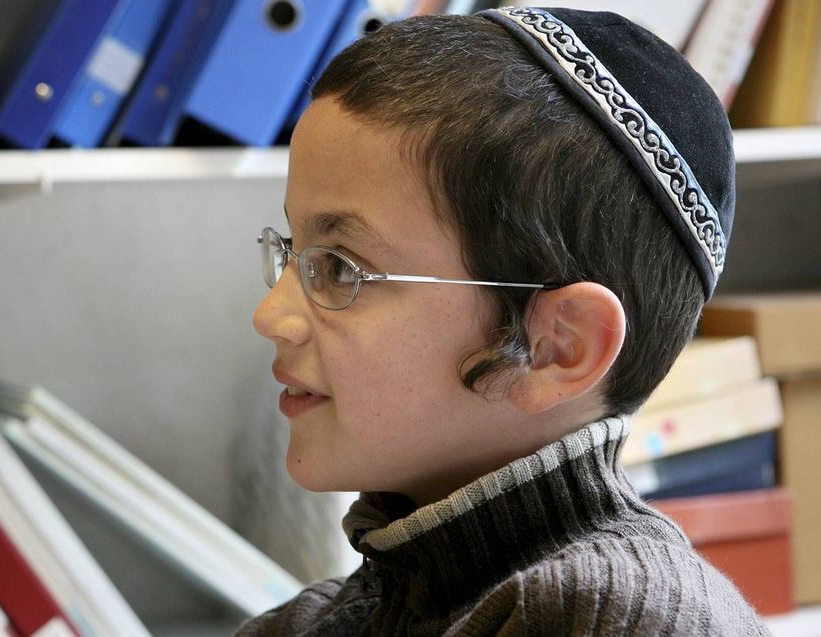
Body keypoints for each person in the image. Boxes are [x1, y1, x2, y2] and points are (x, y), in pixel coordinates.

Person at [240, 7, 767, 636]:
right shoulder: (322, 621)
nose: (270, 316)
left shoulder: (619, 620)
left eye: (342, 270)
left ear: (555, 347)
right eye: (292, 253)